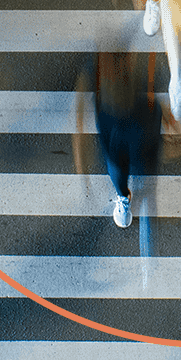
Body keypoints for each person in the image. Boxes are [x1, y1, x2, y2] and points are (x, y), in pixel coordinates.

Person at [74, 50, 162, 230]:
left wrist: (83, 174)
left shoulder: (98, 67)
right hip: (128, 125)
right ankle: (131, 193)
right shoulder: (99, 69)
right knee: (125, 165)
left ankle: (126, 196)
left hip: (124, 125)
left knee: (122, 164)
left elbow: (79, 118)